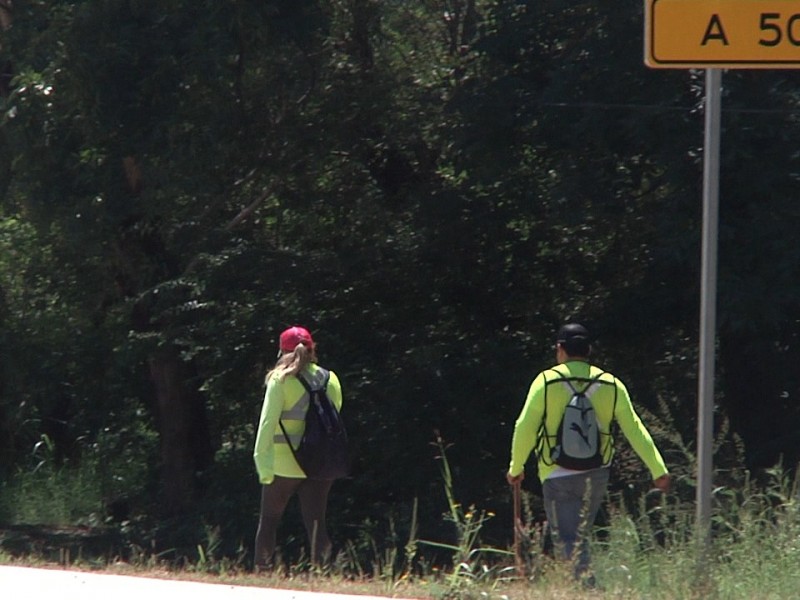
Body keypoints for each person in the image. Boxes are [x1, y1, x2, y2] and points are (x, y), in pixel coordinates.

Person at [506, 323, 670, 581]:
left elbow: (524, 426)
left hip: (555, 471)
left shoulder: (546, 381)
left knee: (568, 539)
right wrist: (658, 469)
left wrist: (516, 468)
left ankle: (585, 590)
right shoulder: (611, 384)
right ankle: (582, 586)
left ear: (560, 349)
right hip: (596, 471)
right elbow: (635, 429)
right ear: (589, 350)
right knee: (579, 537)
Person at [253, 325, 343, 569]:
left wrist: (263, 467)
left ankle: (262, 579)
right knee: (317, 524)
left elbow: (267, 425)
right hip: (321, 463)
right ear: (313, 349)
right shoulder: (331, 379)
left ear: (282, 351)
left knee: (269, 522)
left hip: (284, 463)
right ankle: (324, 579)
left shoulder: (279, 380)